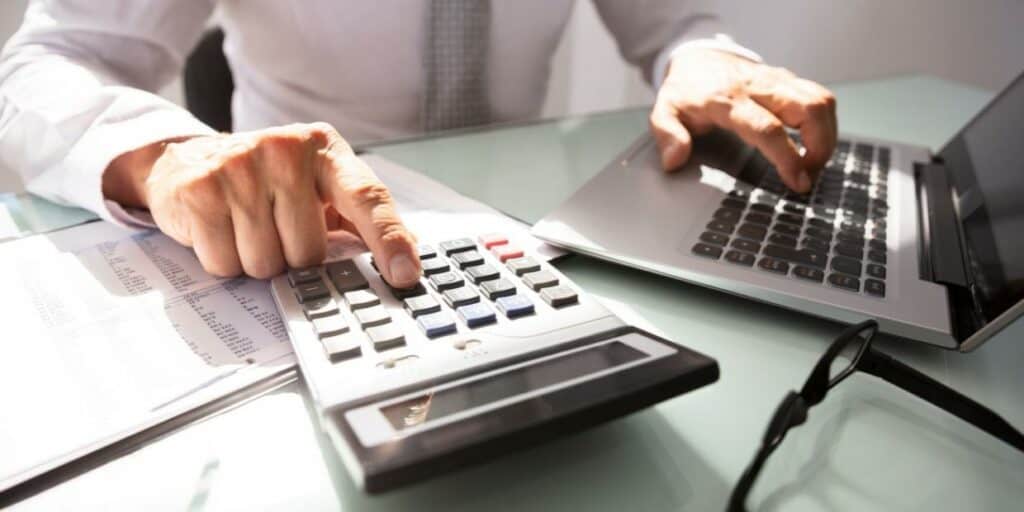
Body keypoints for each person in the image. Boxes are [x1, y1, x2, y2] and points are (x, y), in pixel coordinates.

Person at [0, 1, 836, 288]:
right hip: (299, 247)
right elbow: (46, 58)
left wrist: (704, 59)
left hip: (535, 236)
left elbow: (674, 23)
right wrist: (160, 153)